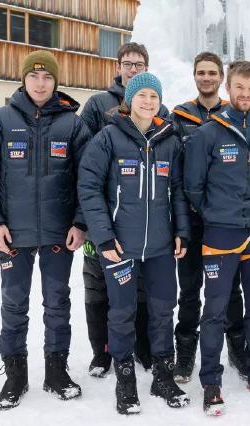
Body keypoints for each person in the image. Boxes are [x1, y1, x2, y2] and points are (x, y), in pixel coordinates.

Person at [0, 50, 89, 410]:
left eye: (47, 77)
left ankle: (56, 370)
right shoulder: (0, 121)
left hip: (58, 233)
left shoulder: (72, 124)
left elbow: (89, 179)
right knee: (14, 303)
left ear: (56, 82)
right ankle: (15, 374)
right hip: (12, 235)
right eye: (34, 76)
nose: (40, 83)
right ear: (23, 80)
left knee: (57, 303)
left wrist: (80, 222)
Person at [78, 72, 191, 414]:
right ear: (129, 100)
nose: (148, 101)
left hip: (159, 247)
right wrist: (103, 237)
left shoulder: (169, 140)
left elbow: (179, 192)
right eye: (141, 95)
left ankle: (162, 373)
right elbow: (89, 189)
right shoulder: (108, 138)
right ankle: (125, 377)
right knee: (122, 311)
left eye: (153, 96)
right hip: (119, 247)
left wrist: (181, 231)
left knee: (161, 310)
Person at [184, 61, 250, 416]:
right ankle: (211, 380)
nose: (245, 95)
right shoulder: (209, 134)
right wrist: (217, 213)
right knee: (214, 311)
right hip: (220, 234)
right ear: (228, 89)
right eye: (239, 88)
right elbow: (193, 188)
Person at [79, 42, 168, 376]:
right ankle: (102, 352)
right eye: (128, 63)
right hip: (104, 216)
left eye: (140, 63)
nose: (134, 68)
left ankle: (142, 346)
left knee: (142, 287)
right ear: (118, 66)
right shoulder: (98, 105)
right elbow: (83, 167)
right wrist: (88, 222)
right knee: (99, 285)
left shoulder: (160, 109)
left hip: (143, 221)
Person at [169, 51, 233, 383]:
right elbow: (175, 174)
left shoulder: (232, 113)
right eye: (201, 72)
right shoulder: (179, 116)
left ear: (221, 77)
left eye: (212, 72)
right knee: (190, 290)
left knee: (228, 290)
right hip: (192, 220)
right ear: (194, 76)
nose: (206, 77)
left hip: (224, 220)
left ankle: (236, 349)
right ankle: (185, 355)